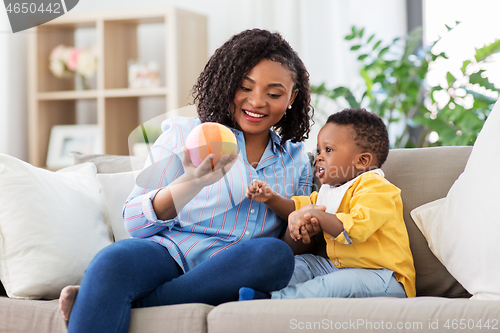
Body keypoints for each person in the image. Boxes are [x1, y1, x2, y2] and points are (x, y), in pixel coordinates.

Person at [58, 28, 314, 332]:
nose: (257, 102)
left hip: (236, 264)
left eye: (273, 94)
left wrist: (302, 230)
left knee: (276, 257)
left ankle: (108, 300)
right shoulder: (184, 133)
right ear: (227, 82)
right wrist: (192, 182)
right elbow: (135, 223)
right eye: (245, 87)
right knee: (111, 261)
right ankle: (103, 294)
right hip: (168, 252)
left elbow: (292, 242)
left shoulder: (296, 159)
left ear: (292, 97)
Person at [240, 108, 416, 300]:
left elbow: (356, 229)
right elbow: (298, 208)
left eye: (328, 150)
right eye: (318, 151)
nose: (319, 158)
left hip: (383, 277)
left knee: (333, 285)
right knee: (301, 263)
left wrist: (317, 215)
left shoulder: (377, 188)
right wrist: (270, 198)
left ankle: (272, 300)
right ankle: (264, 289)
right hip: (337, 268)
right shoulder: (330, 191)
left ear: (362, 161)